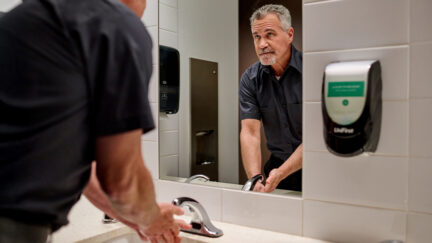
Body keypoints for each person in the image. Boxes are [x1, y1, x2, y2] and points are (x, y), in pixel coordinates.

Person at [0, 0, 190, 242]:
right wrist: (151, 218)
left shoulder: (35, 18)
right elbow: (121, 179)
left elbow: (88, 173)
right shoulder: (116, 24)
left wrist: (136, 220)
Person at [240, 4, 302, 193]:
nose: (261, 45)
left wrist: (281, 173)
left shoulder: (312, 71)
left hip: (316, 167)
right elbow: (250, 133)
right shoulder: (250, 79)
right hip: (276, 169)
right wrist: (255, 177)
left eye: (269, 35)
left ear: (289, 34)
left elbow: (316, 137)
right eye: (257, 37)